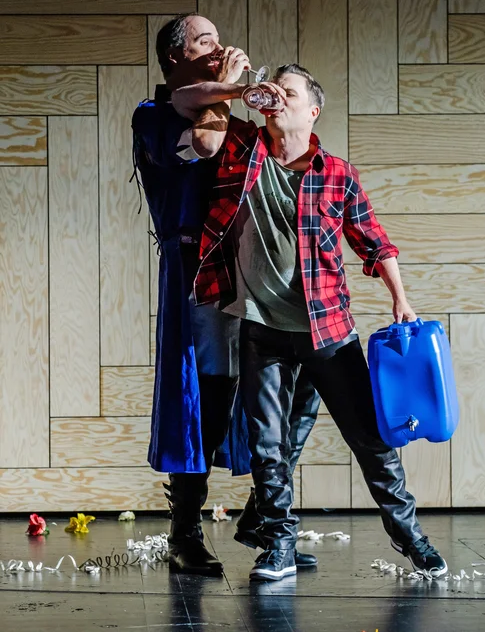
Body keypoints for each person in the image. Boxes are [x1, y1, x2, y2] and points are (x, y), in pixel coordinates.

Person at [173, 63, 449, 582]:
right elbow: (186, 107)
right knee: (268, 446)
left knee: (371, 441)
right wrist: (242, 89)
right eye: (274, 90)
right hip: (261, 329)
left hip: (328, 331)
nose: (279, 97)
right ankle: (277, 545)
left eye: (290, 92)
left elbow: (374, 241)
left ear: (313, 110)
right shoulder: (242, 149)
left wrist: (401, 299)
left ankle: (411, 536)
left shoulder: (337, 172)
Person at [131, 15, 320, 577]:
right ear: (175, 57)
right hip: (199, 268)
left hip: (252, 263)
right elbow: (207, 143)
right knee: (206, 389)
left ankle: (265, 517)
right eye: (204, 41)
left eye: (217, 39)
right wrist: (235, 87)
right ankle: (185, 532)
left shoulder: (228, 113)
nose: (219, 47)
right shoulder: (154, 114)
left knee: (293, 380)